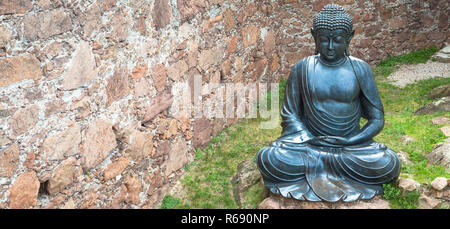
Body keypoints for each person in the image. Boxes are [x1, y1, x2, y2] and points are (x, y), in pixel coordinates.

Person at [256, 4, 401, 202]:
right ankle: (322, 166)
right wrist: (308, 138)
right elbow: (290, 114)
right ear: (314, 36)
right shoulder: (302, 68)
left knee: (387, 162)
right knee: (269, 157)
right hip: (309, 146)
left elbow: (377, 118)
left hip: (350, 148)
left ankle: (321, 168)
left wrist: (351, 141)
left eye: (338, 40)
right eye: (324, 40)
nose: (330, 47)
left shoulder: (360, 69)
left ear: (349, 37)